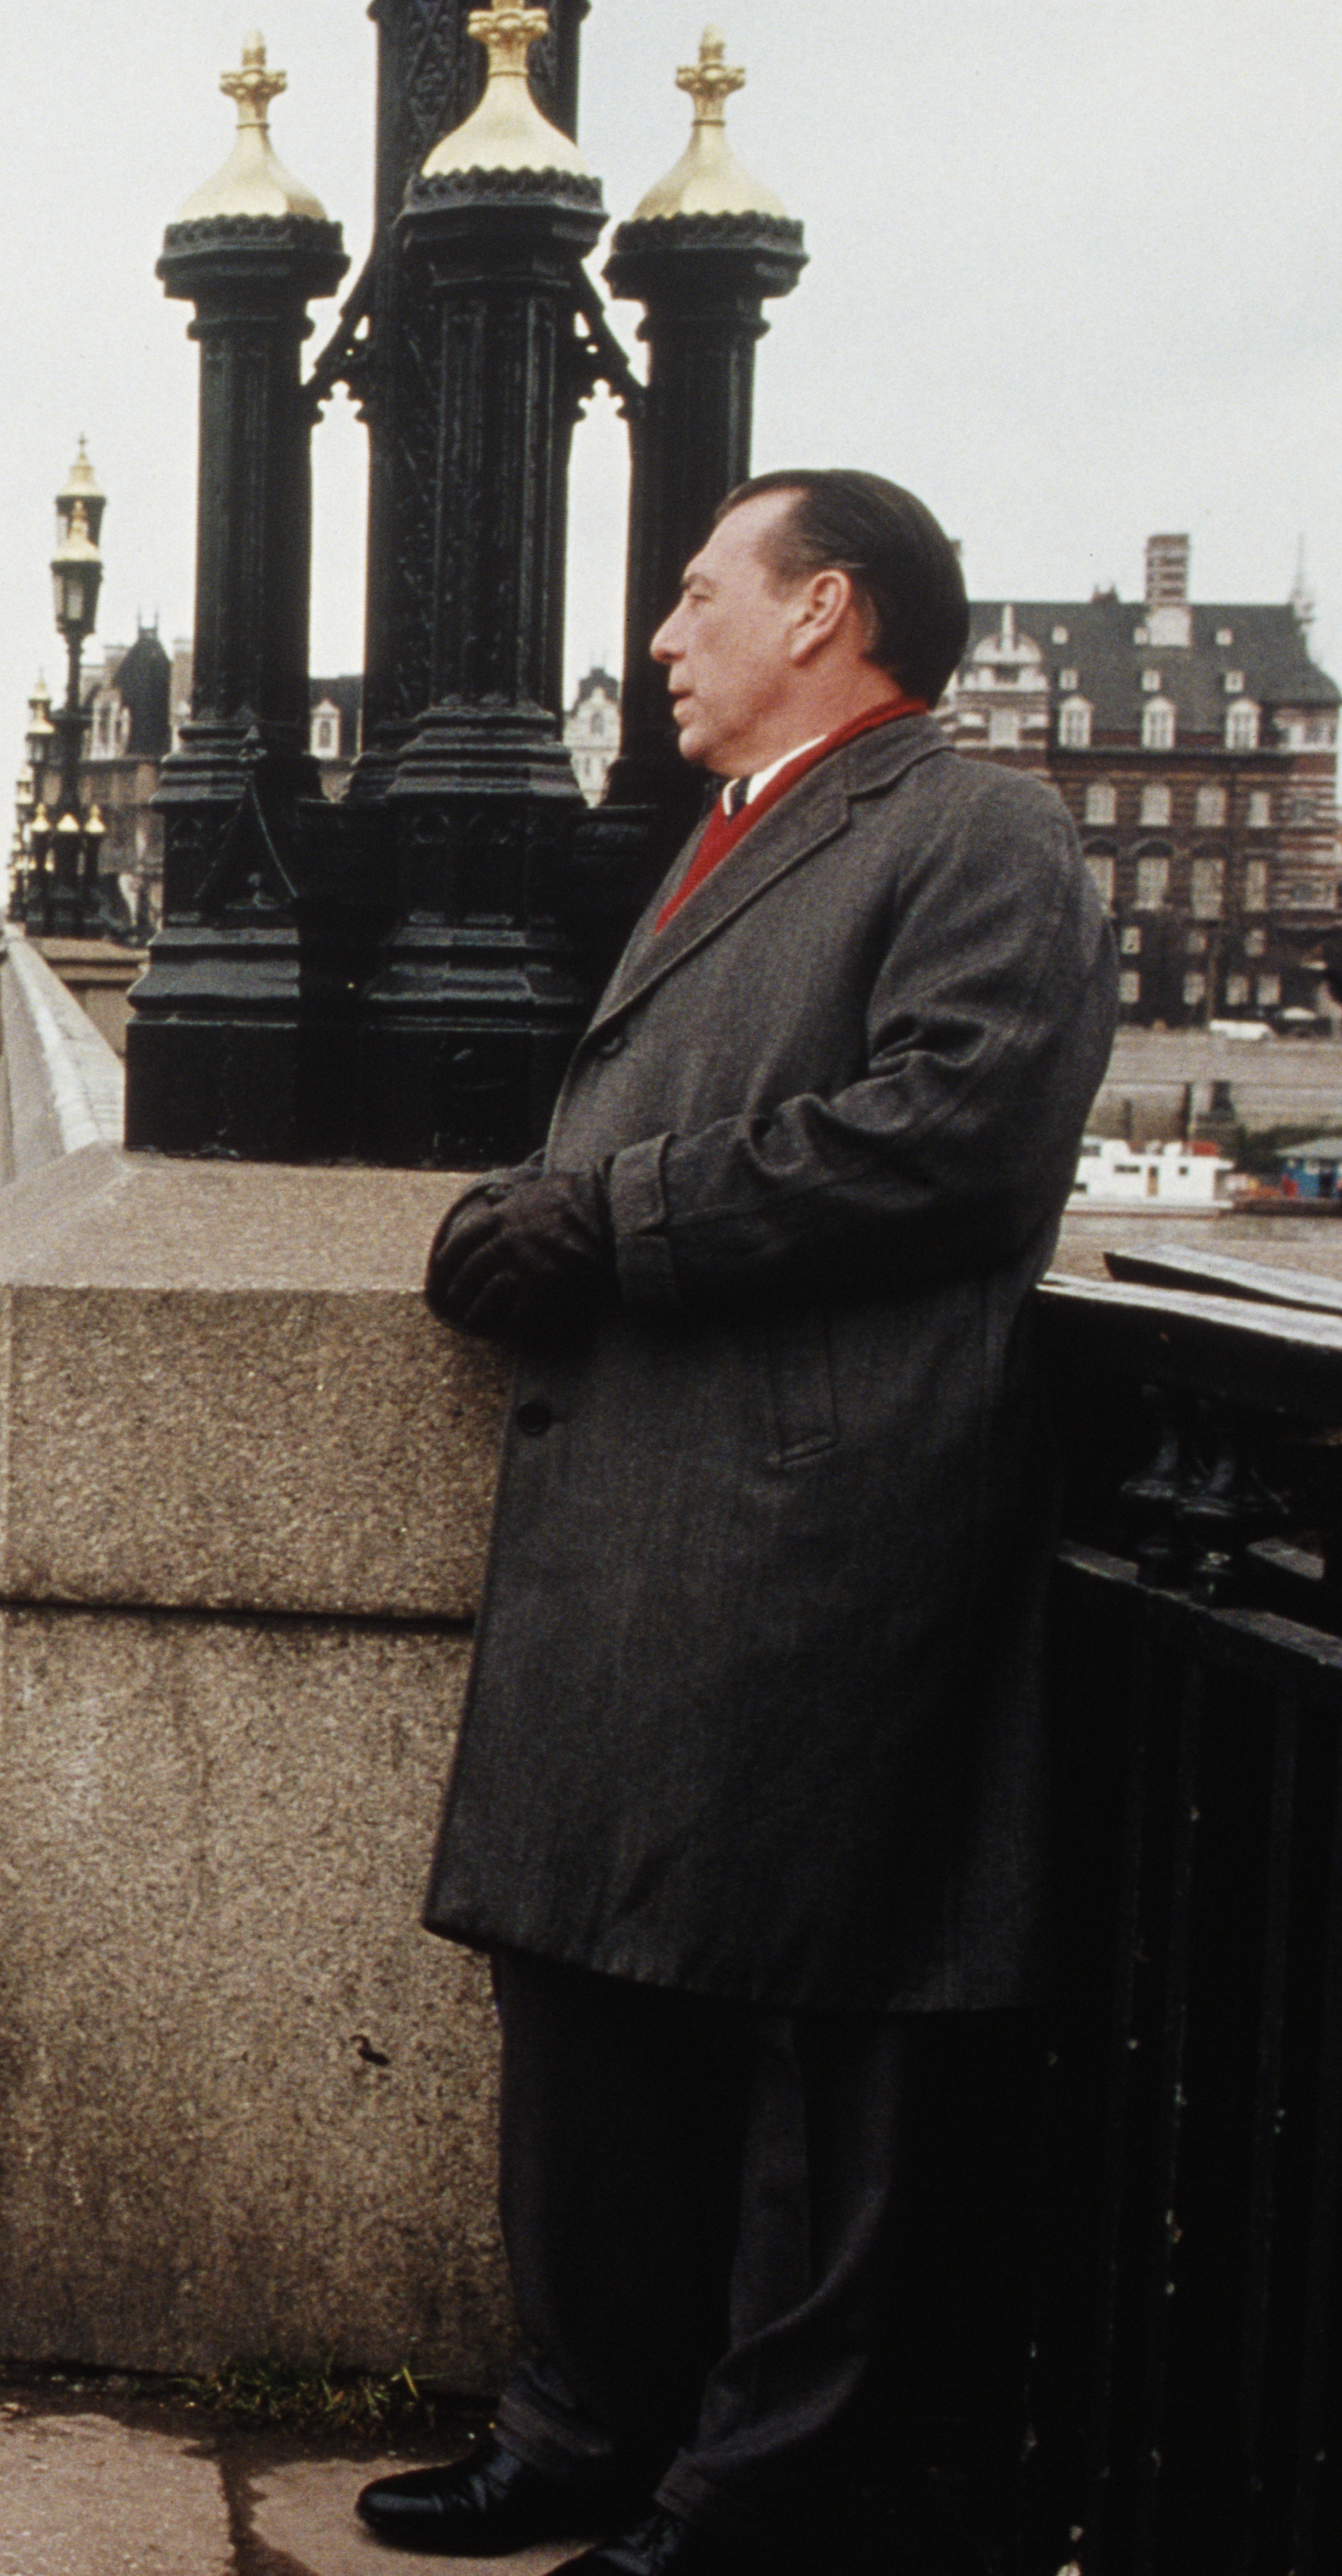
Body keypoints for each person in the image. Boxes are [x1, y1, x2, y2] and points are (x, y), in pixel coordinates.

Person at [372, 471, 1114, 2574]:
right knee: (587, 1988)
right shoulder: (733, 835)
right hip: (642, 1514)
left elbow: (954, 1137)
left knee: (813, 2023)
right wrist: (523, 1215)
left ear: (827, 610)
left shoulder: (976, 831)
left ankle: (753, 2492)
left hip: (816, 1522)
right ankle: (574, 2429)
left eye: (700, 594)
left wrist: (605, 1216)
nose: (662, 635)